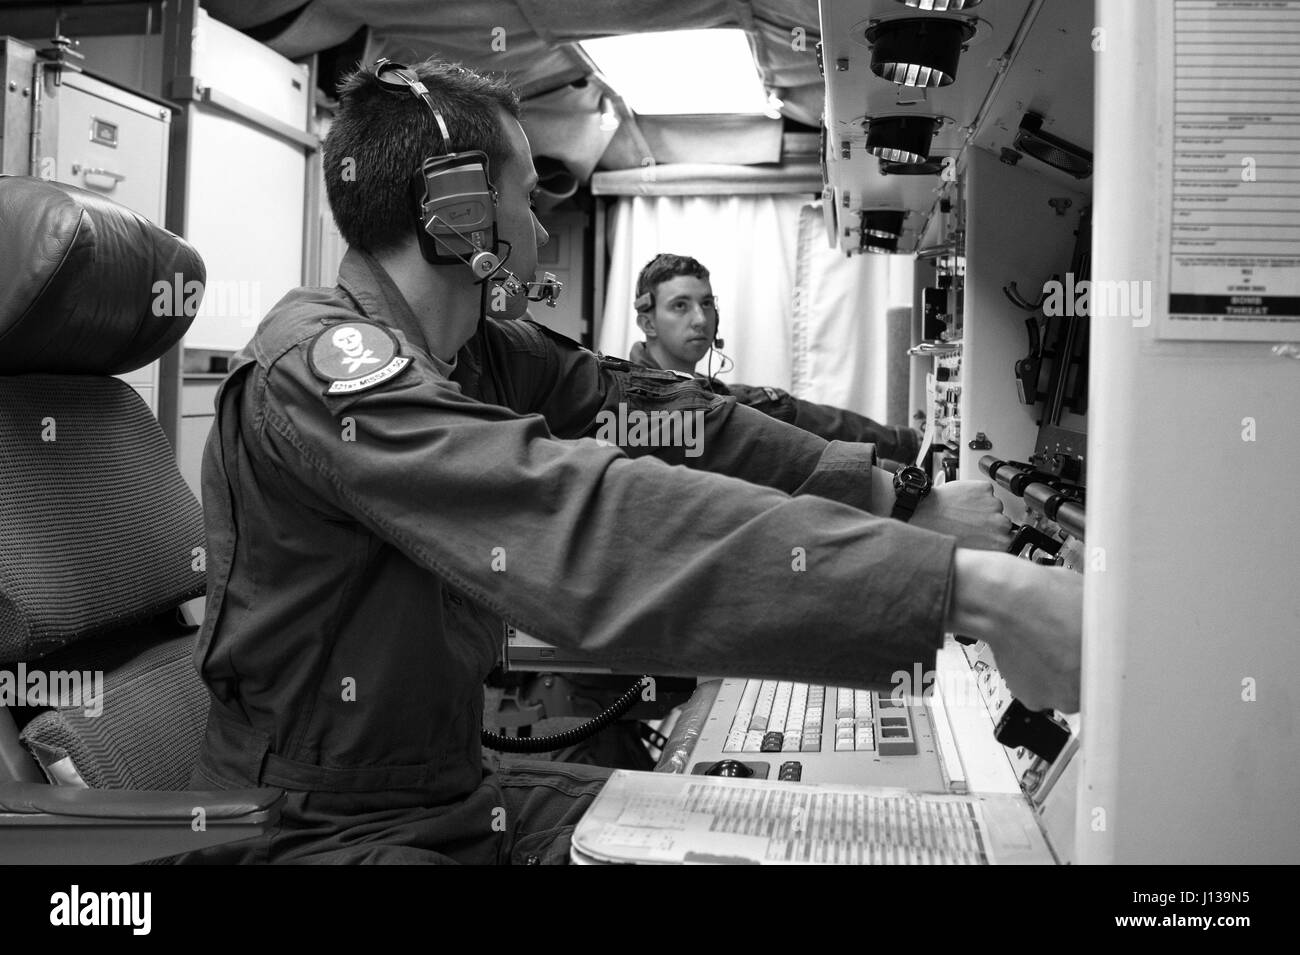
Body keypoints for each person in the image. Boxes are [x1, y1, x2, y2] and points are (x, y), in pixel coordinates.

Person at [180, 58, 1082, 865]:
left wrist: (889, 493)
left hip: (450, 788)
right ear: (455, 211)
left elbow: (669, 416)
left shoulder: (484, 350)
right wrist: (967, 590)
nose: (536, 222)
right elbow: (577, 516)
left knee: (758, 826)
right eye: (525, 195)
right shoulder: (324, 373)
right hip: (318, 825)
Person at [629, 253, 921, 463]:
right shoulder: (640, 413)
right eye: (680, 306)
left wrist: (909, 445)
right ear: (648, 324)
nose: (699, 319)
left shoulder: (714, 397)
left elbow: (815, 421)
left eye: (706, 304)